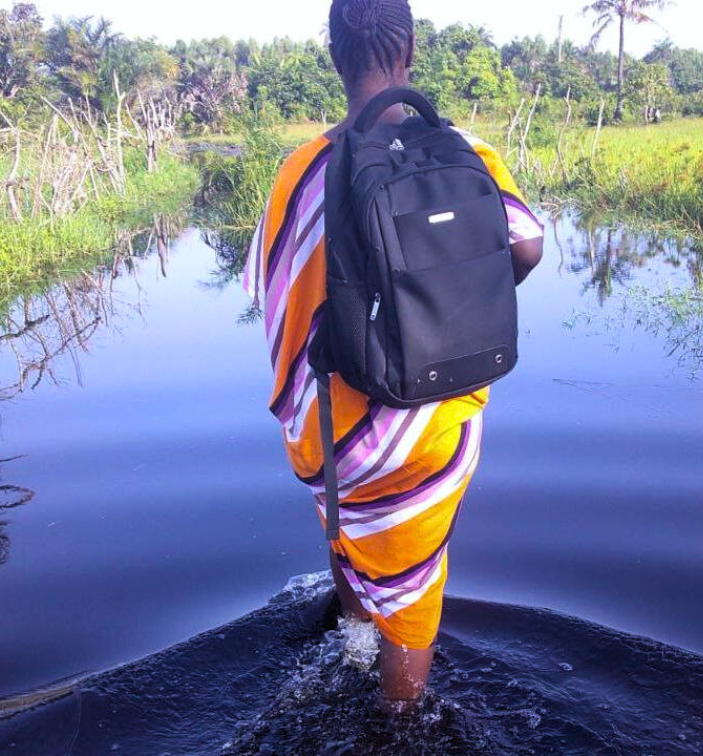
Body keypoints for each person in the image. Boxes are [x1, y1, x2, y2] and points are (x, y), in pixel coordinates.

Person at [243, 0, 545, 709]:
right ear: (409, 45)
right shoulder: (463, 151)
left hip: (330, 438)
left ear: (333, 55)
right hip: (423, 437)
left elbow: (273, 292)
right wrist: (452, 293)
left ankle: (352, 650)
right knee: (411, 596)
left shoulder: (299, 173)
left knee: (348, 543)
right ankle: (397, 728)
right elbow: (526, 244)